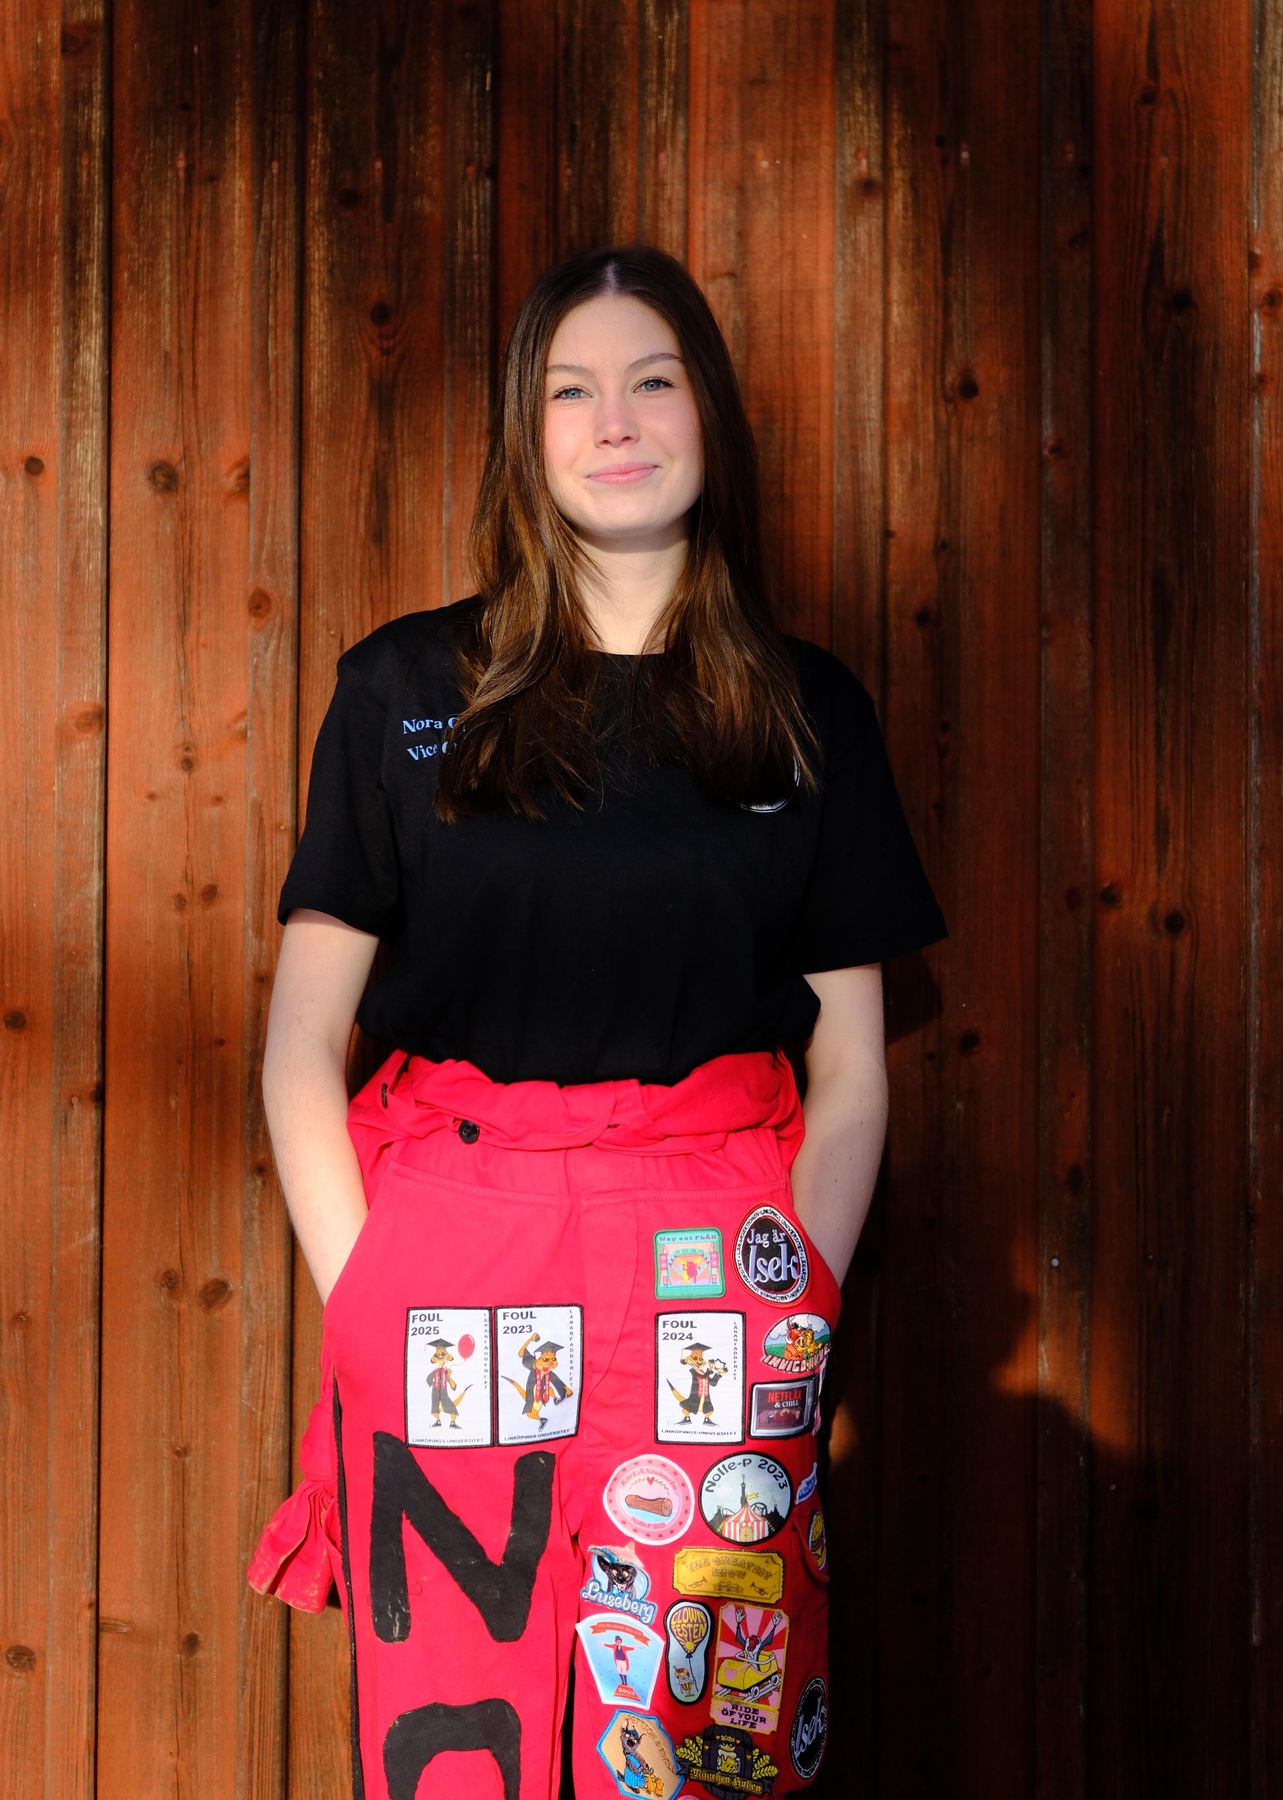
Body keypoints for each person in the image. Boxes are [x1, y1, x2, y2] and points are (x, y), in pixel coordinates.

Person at [247, 246, 947, 1800]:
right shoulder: (404, 688)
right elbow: (302, 1045)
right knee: (461, 1735)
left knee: (704, 1731)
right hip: (449, 1249)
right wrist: (366, 1291)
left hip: (717, 1271)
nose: (613, 421)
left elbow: (849, 1063)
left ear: (708, 416)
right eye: (571, 390)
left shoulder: (804, 710)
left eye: (650, 380)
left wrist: (801, 1298)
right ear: (528, 431)